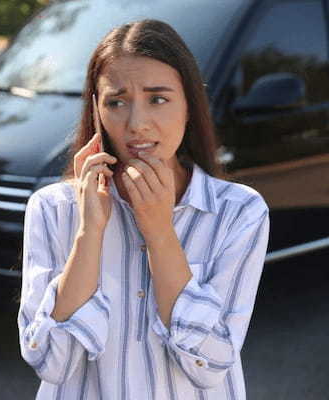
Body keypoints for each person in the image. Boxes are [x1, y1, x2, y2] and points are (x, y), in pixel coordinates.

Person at [17, 19, 270, 399]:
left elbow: (211, 364)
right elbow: (52, 363)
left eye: (158, 99)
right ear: (97, 110)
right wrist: (89, 233)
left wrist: (160, 233)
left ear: (189, 106)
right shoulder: (53, 209)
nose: (137, 124)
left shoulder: (239, 212)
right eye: (116, 102)